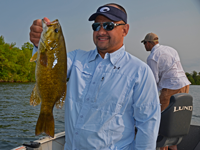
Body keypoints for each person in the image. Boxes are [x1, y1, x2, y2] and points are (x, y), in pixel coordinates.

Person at [30, 3, 161, 150]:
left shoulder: (140, 72)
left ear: (125, 30)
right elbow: (51, 67)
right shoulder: (76, 58)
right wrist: (38, 43)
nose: (101, 31)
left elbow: (147, 125)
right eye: (96, 26)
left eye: (109, 26)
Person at [141, 32, 191, 150]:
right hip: (185, 84)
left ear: (149, 43)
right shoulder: (171, 49)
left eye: (144, 43)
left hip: (171, 87)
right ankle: (173, 147)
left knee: (162, 120)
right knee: (175, 120)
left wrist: (148, 97)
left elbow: (154, 80)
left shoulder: (152, 57)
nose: (144, 46)